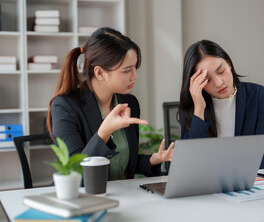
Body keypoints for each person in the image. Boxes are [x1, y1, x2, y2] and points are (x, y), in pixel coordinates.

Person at [47, 27, 174, 180]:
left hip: (123, 196)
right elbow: (75, 173)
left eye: (135, 67)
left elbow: (123, 162)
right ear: (100, 73)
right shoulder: (64, 107)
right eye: (127, 70)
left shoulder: (129, 103)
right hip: (83, 199)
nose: (135, 76)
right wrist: (104, 133)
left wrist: (155, 159)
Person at [178, 40, 264, 169]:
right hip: (207, 186)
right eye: (207, 79)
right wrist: (199, 110)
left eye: (221, 72)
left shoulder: (256, 95)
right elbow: (189, 164)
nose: (219, 83)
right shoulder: (192, 107)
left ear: (229, 64)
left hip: (249, 183)